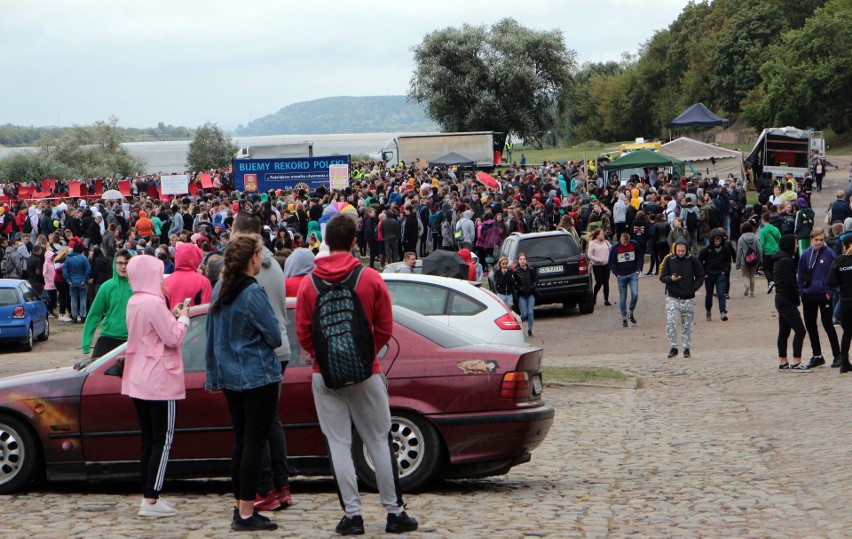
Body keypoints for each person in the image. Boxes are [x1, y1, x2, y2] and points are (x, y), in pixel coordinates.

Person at [295, 214, 419, 536]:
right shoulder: (371, 278)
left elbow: (304, 334)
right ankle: (394, 512)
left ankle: (352, 516)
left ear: (325, 242)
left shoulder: (309, 284)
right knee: (379, 439)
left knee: (338, 443)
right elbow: (385, 329)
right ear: (354, 242)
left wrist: (322, 357)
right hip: (367, 372)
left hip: (324, 375)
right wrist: (365, 356)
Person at [205, 235, 282, 532]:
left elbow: (213, 335)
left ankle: (241, 508)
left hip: (230, 375)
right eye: (259, 253)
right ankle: (247, 513)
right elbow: (274, 335)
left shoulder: (220, 288)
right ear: (251, 258)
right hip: (256, 374)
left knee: (242, 442)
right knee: (253, 443)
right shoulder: (251, 292)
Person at [230, 212, 293, 513]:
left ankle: (266, 487)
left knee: (258, 427)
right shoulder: (273, 262)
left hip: (264, 350)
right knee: (271, 422)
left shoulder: (255, 267)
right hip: (280, 347)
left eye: (232, 231)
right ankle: (281, 486)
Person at [123, 254, 190, 518]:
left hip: (139, 376)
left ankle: (148, 494)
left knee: (149, 439)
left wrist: (172, 316)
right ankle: (151, 498)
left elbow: (154, 333)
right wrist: (183, 319)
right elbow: (172, 338)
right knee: (163, 439)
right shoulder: (153, 302)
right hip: (160, 378)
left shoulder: (134, 301)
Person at [797, 228, 840, 368]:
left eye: (821, 240)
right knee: (810, 325)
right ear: (811, 240)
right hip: (808, 295)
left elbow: (835, 274)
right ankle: (817, 355)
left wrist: (830, 291)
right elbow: (801, 274)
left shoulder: (830, 254)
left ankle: (837, 355)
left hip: (824, 294)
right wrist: (801, 291)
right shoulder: (805, 255)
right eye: (816, 240)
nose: (818, 242)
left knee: (828, 325)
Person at [82, 250, 133, 358]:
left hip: (132, 340)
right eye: (120, 263)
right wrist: (86, 343)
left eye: (127, 263)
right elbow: (95, 314)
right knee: (96, 372)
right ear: (114, 264)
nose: (123, 266)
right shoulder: (107, 287)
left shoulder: (138, 287)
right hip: (109, 337)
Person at [659, 238, 705, 358]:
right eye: (678, 250)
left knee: (687, 325)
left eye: (683, 250)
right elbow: (662, 277)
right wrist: (670, 279)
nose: (680, 253)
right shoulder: (669, 260)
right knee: (671, 322)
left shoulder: (692, 260)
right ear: (675, 249)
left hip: (688, 298)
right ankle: (674, 347)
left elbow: (700, 276)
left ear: (686, 249)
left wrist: (693, 288)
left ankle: (686, 348)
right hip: (673, 297)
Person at [773, 235, 811, 371]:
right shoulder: (786, 261)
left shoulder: (780, 259)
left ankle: (783, 361)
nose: (796, 246)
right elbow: (790, 283)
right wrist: (796, 299)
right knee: (800, 330)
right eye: (795, 244)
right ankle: (796, 361)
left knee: (784, 332)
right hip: (786, 299)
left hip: (780, 298)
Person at [826, 235, 852, 373]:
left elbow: (830, 281)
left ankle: (844, 362)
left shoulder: (839, 261)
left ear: (845, 245)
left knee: (847, 333)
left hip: (846, 301)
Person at [698, 229, 735, 321]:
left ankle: (722, 312)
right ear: (712, 240)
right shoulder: (706, 250)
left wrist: (724, 271)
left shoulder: (725, 249)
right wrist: (704, 273)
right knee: (709, 294)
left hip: (720, 275)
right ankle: (708, 310)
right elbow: (699, 261)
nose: (717, 242)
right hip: (709, 275)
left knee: (721, 293)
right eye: (715, 240)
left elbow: (727, 261)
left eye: (719, 240)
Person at [608, 232, 643, 328]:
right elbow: (611, 261)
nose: (626, 244)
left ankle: (630, 312)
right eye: (624, 242)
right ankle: (624, 318)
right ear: (620, 239)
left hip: (633, 274)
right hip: (621, 276)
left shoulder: (634, 244)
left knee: (635, 294)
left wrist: (638, 269)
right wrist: (616, 273)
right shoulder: (615, 247)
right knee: (623, 297)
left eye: (627, 242)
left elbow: (640, 255)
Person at [164, 243, 213, 310]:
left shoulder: (166, 281)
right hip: (195, 319)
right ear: (196, 258)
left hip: (171, 319)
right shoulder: (204, 282)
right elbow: (206, 311)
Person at [62, 243, 91, 323]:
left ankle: (74, 317)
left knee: (73, 300)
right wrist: (84, 280)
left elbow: (64, 270)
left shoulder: (68, 258)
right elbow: (88, 269)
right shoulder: (83, 258)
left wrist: (68, 280)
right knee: (83, 299)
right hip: (82, 282)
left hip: (72, 282)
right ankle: (83, 317)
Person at [513, 253, 537, 337]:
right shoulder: (516, 271)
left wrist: (532, 287)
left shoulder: (531, 270)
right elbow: (514, 283)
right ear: (518, 261)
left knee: (530, 312)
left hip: (530, 294)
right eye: (520, 259)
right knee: (524, 314)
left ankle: (530, 330)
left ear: (526, 260)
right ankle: (517, 326)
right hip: (521, 295)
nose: (522, 261)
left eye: (524, 259)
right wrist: (519, 288)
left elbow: (536, 280)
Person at [735, 222, 762, 297]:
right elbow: (759, 249)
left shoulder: (741, 239)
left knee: (745, 275)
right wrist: (760, 259)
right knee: (752, 276)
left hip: (744, 260)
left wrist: (738, 264)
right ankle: (752, 292)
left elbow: (739, 252)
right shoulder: (755, 237)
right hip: (754, 259)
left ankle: (747, 285)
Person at [586, 228, 612, 306]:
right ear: (597, 235)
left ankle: (606, 300)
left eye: (603, 234)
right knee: (599, 282)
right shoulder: (592, 243)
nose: (603, 235)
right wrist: (597, 260)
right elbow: (589, 255)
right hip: (597, 266)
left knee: (606, 282)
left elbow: (612, 249)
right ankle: (594, 296)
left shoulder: (607, 242)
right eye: (601, 234)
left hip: (606, 265)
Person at [759, 212, 781, 292]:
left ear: (763, 220)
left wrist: (761, 252)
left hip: (767, 252)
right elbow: (779, 238)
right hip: (776, 250)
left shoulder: (762, 231)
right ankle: (771, 284)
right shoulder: (775, 229)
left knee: (766, 268)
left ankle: (771, 281)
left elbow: (762, 243)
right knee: (772, 268)